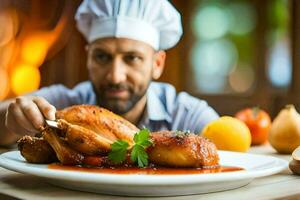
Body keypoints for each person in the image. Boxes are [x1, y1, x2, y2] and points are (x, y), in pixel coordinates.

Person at [0, 0, 219, 146]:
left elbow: (229, 146)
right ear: (88, 57)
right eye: (102, 57)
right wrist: (12, 118)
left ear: (157, 64)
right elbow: (8, 113)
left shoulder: (186, 113)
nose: (115, 76)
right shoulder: (63, 104)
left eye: (132, 58)